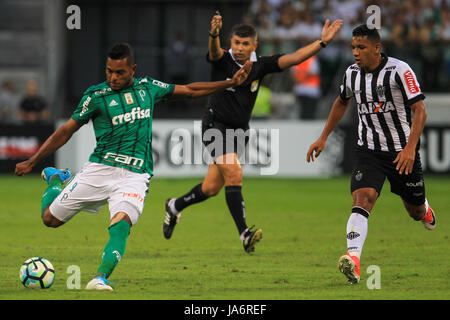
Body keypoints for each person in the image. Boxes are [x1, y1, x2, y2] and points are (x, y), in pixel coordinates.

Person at [14, 42, 251, 291]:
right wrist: (34, 159)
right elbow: (66, 130)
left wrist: (228, 83)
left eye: (120, 72)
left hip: (135, 175)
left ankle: (100, 278)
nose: (113, 77)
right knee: (49, 219)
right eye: (109, 71)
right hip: (100, 168)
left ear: (133, 70)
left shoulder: (148, 88)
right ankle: (54, 180)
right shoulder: (96, 96)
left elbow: (190, 90)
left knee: (122, 221)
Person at [163, 13, 342, 253]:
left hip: (239, 132)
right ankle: (244, 233)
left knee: (211, 188)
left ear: (254, 46)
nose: (239, 48)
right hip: (215, 125)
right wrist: (214, 34)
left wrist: (322, 42)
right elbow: (214, 52)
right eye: (236, 42)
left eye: (245, 44)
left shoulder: (261, 65)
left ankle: (174, 206)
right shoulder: (223, 60)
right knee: (235, 174)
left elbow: (295, 57)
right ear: (230, 43)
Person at [306, 25, 436, 284]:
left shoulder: (400, 70)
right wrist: (323, 137)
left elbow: (419, 110)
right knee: (362, 199)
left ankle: (425, 210)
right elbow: (342, 101)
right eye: (353, 47)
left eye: (361, 47)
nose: (356, 52)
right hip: (369, 151)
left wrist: (410, 148)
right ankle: (353, 260)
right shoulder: (352, 74)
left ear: (377, 48)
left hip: (401, 153)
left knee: (414, 211)